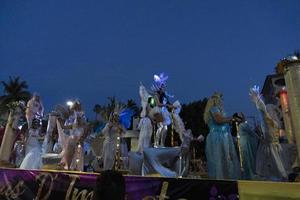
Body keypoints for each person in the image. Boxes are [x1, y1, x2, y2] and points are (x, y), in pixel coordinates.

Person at [249, 85, 293, 181]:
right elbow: (263, 111)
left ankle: (279, 177)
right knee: (274, 166)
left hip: (273, 144)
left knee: (277, 166)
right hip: (270, 144)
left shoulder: (272, 118)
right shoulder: (268, 114)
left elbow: (265, 112)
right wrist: (258, 100)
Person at [204, 92, 240, 180]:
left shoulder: (214, 110)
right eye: (221, 99)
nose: (222, 101)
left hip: (219, 136)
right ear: (217, 100)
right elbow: (219, 120)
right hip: (218, 137)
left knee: (221, 160)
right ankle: (223, 180)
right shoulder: (214, 109)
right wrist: (232, 118)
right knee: (221, 160)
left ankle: (223, 179)